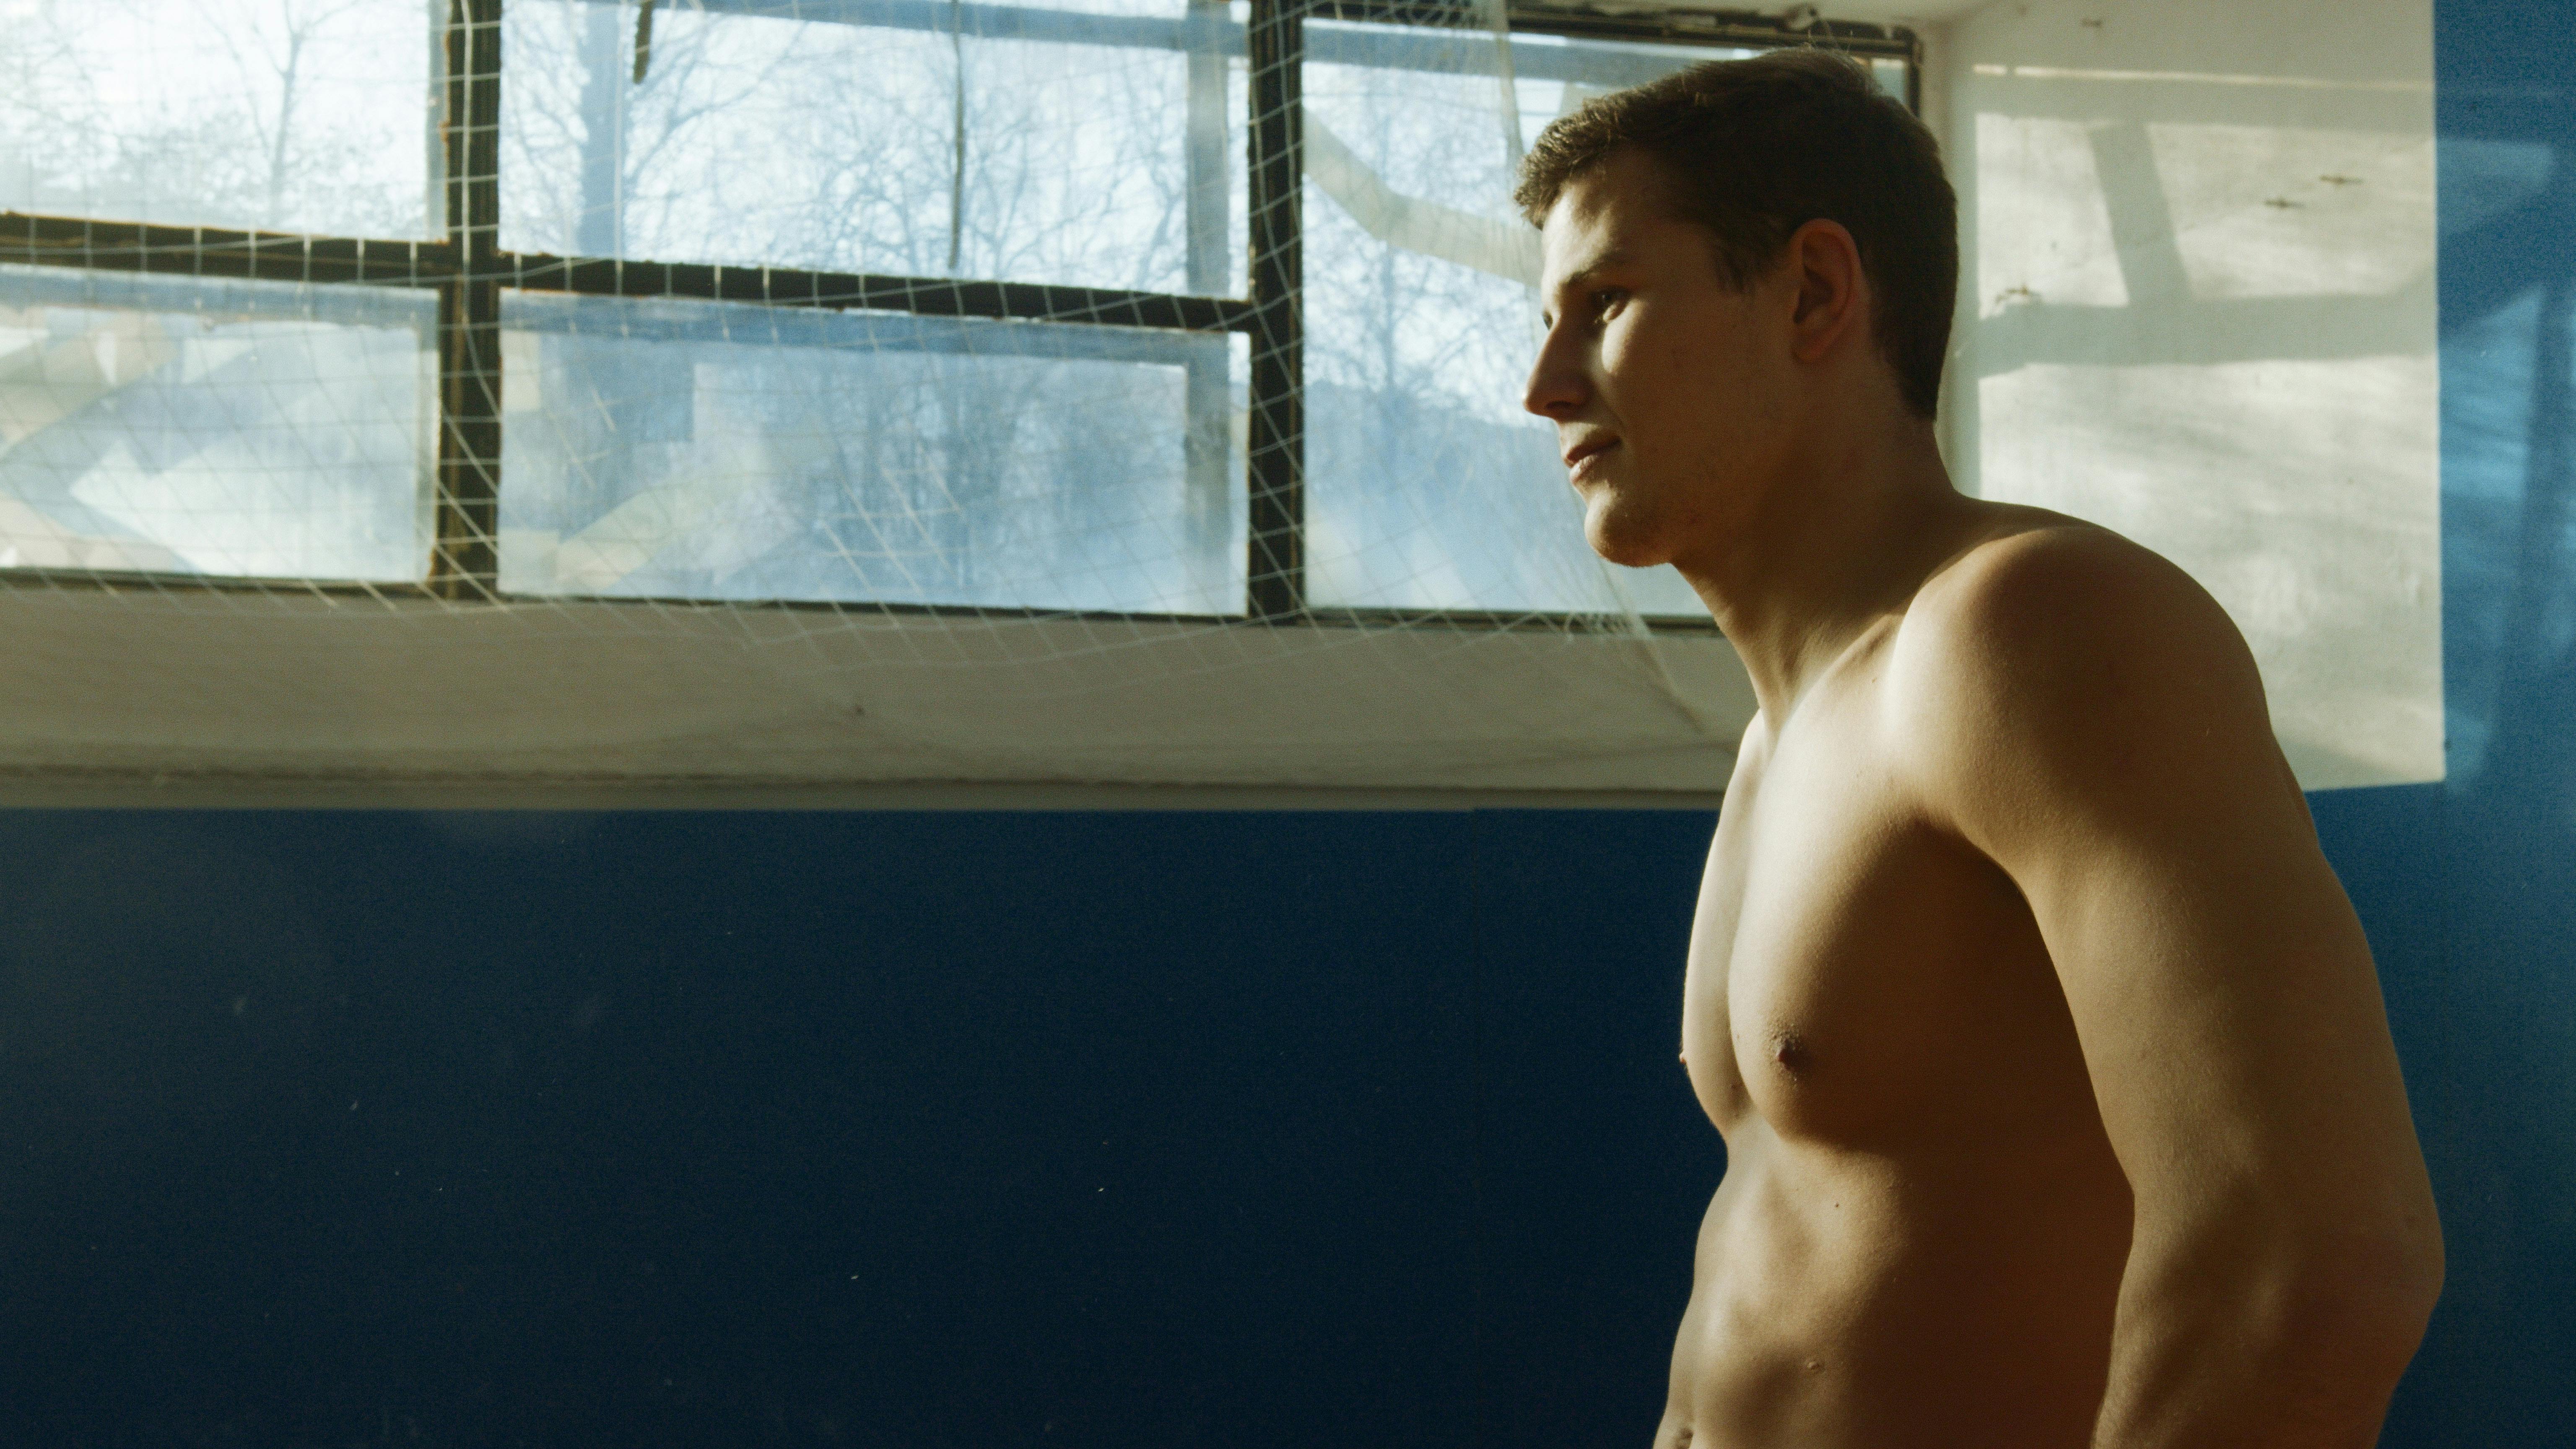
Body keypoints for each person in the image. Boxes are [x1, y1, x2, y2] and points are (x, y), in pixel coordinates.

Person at [1514, 50, 2443, 1449]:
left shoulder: (2027, 631)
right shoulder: (1790, 733)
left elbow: (2310, 1275)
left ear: (1816, 293)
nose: (1543, 386)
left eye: (1607, 304)